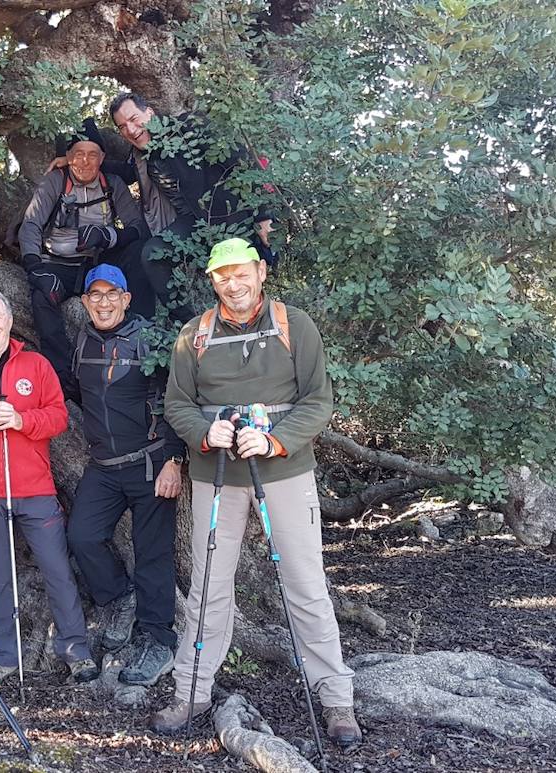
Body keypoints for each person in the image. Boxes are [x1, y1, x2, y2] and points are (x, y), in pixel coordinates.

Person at [152, 238, 360, 746]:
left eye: (242, 272)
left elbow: (317, 402)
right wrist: (205, 434)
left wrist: (273, 440)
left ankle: (336, 699)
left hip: (284, 473)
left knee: (306, 583)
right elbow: (176, 404)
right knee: (208, 587)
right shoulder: (193, 336)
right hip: (215, 474)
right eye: (223, 276)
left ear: (261, 272)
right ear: (212, 281)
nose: (234, 283)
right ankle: (192, 691)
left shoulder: (295, 326)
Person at [0, 289, 99, 683]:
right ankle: (4, 655)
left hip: (35, 487)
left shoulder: (37, 365)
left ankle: (76, 650)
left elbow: (58, 418)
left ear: (9, 321)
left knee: (57, 570)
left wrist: (23, 422)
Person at [65, 265, 185, 687]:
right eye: (94, 295)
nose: (102, 301)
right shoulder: (81, 341)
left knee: (152, 555)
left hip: (151, 464)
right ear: (84, 302)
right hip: (103, 467)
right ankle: (118, 597)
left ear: (127, 298)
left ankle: (159, 641)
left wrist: (174, 460)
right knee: (81, 535)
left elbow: (178, 400)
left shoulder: (150, 340)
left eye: (111, 293)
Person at [108, 92, 278, 320]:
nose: (130, 129)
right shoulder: (141, 154)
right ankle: (188, 325)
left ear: (149, 112)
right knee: (153, 254)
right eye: (122, 126)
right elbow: (129, 173)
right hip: (194, 225)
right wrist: (80, 161)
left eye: (133, 118)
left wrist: (263, 216)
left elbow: (242, 161)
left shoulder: (189, 127)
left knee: (238, 286)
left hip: (229, 219)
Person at [18, 122, 151, 400]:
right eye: (78, 154)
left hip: (97, 263)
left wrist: (108, 235)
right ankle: (64, 380)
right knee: (42, 301)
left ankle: (143, 338)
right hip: (58, 263)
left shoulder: (112, 184)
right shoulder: (55, 181)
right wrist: (36, 269)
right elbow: (30, 225)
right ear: (68, 157)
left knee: (140, 253)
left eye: (92, 154)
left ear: (102, 158)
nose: (85, 161)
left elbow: (138, 228)